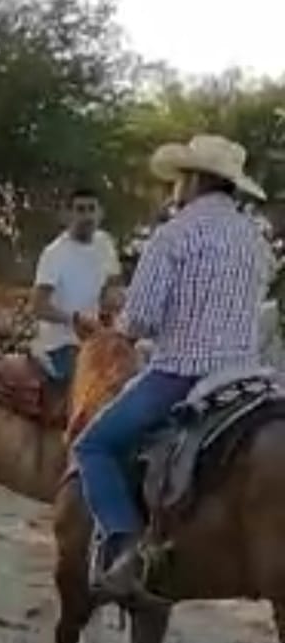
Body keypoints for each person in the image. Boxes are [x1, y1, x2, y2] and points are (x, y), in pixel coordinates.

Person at [73, 134, 274, 601]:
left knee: (94, 446)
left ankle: (124, 546)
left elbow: (141, 318)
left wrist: (117, 330)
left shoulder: (175, 234)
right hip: (247, 376)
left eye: (180, 178)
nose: (175, 188)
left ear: (195, 180)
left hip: (182, 372)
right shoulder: (254, 241)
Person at [30, 188, 122, 384]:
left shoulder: (104, 243)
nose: (87, 216)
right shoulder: (54, 254)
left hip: (96, 338)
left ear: (100, 213)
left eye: (91, 209)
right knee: (88, 388)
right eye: (80, 210)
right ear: (68, 214)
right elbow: (38, 306)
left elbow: (112, 283)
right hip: (61, 344)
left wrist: (113, 299)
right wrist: (74, 319)